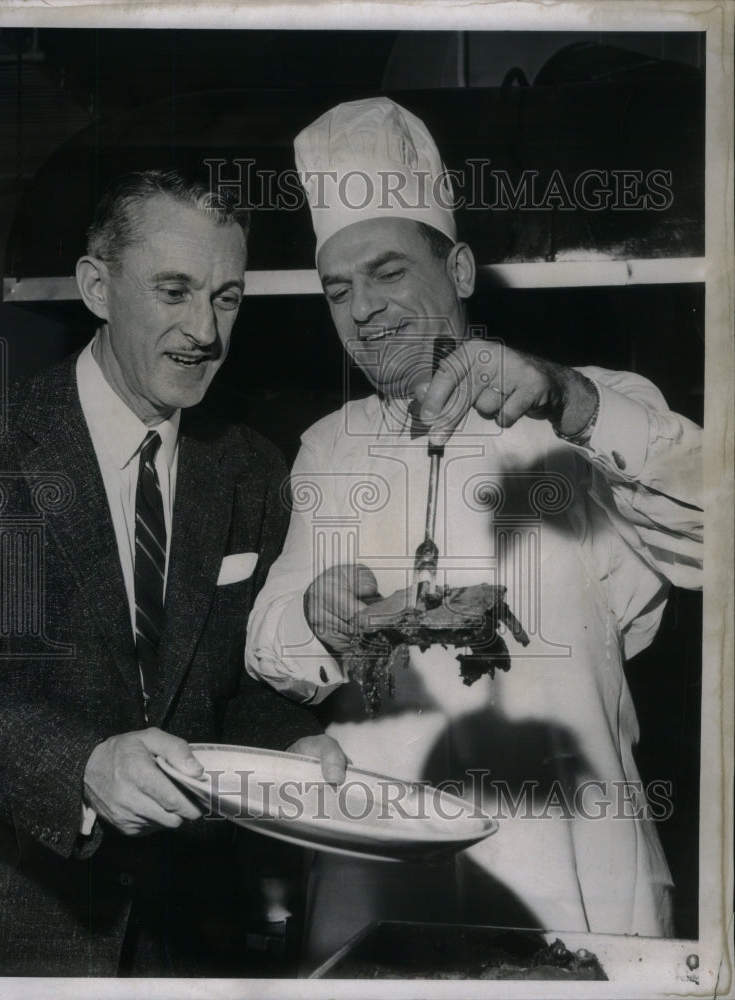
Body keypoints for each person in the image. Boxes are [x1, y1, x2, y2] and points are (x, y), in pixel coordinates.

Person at [245, 98, 703, 963]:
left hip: (575, 875)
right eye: (337, 289)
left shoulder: (587, 408)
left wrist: (569, 399)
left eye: (386, 272)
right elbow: (267, 644)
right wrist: (312, 611)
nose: (362, 310)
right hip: (375, 888)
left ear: (456, 269)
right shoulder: (324, 449)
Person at [0, 169, 345, 977]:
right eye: (173, 291)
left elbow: (234, 692)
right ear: (97, 287)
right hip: (11, 933)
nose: (203, 330)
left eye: (227, 297)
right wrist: (80, 766)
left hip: (190, 935)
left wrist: (296, 745)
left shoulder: (247, 467)